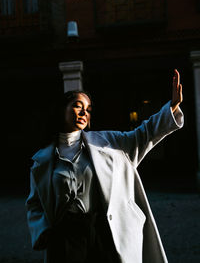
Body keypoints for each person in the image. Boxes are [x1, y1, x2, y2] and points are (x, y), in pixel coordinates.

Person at [26, 69, 183, 263]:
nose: (84, 112)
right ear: (62, 110)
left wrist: (172, 107)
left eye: (88, 109)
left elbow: (145, 133)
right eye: (77, 106)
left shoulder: (109, 143)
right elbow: (34, 204)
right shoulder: (43, 160)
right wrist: (44, 231)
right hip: (66, 237)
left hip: (104, 231)